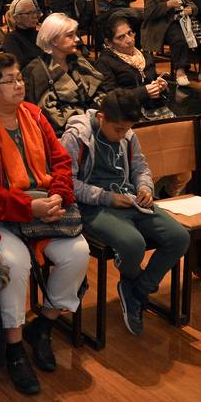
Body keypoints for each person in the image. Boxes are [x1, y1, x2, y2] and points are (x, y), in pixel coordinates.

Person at [0, 54, 89, 396]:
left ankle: (42, 325)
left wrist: (58, 195)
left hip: (43, 207)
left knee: (78, 252)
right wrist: (30, 207)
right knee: (15, 263)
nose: (19, 85)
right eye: (10, 80)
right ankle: (13, 346)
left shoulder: (33, 114)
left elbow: (60, 159)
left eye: (19, 78)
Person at [60, 90, 188, 335]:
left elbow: (141, 166)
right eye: (118, 130)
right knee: (132, 243)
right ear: (101, 117)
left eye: (126, 130)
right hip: (94, 206)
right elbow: (67, 183)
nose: (122, 135)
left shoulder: (127, 134)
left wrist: (145, 187)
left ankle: (135, 290)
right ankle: (134, 288)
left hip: (129, 199)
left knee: (179, 237)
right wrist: (107, 197)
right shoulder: (77, 135)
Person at [23, 12, 108, 133]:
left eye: (75, 34)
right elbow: (47, 116)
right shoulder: (36, 72)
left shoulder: (80, 62)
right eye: (70, 35)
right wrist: (87, 118)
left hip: (95, 126)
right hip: (61, 135)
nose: (77, 39)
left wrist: (95, 116)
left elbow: (101, 94)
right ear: (54, 40)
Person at [95, 12, 170, 117]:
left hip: (154, 109)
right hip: (126, 115)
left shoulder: (144, 55)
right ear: (109, 42)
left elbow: (153, 83)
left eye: (129, 33)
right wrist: (144, 92)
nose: (129, 40)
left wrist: (161, 88)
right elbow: (111, 98)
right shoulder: (105, 62)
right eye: (121, 37)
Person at [142, 0, 200, 86]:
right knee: (179, 39)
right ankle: (180, 71)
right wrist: (167, 5)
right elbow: (149, 14)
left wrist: (191, 9)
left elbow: (192, 4)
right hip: (161, 25)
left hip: (183, 21)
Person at [1, 0, 43, 68]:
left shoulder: (41, 35)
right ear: (16, 18)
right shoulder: (11, 39)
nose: (34, 16)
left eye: (35, 12)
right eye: (28, 13)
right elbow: (20, 66)